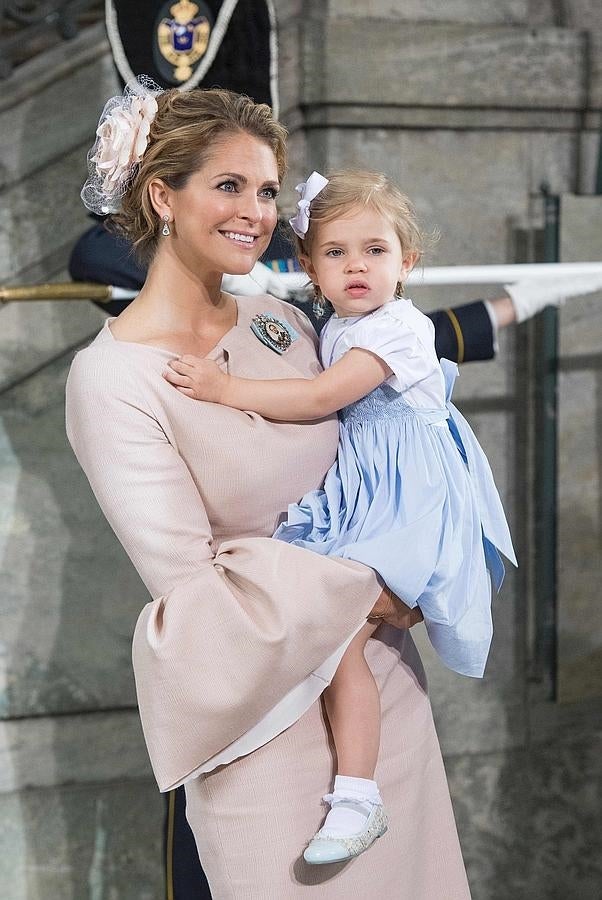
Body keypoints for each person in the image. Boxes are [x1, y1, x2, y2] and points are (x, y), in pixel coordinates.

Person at [66, 78, 472, 897]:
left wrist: (432, 567)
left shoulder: (280, 322)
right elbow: (194, 597)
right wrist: (371, 586)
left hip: (383, 694)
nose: (255, 211)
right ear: (161, 196)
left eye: (266, 190)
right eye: (227, 185)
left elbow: (391, 451)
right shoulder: (112, 380)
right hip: (266, 723)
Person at [162, 169, 517, 864]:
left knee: (342, 627)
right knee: (335, 633)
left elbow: (325, 397)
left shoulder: (400, 327)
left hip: (413, 499)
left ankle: (358, 796)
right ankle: (351, 791)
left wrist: (223, 387)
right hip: (372, 491)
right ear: (308, 267)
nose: (357, 265)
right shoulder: (328, 323)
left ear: (406, 263)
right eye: (336, 252)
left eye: (375, 251)